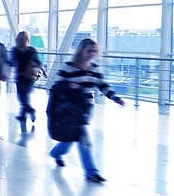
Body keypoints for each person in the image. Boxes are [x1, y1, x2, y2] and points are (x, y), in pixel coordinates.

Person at [47, 38, 124, 183]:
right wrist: (70, 85)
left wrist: (115, 98)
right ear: (81, 50)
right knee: (82, 137)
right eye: (89, 50)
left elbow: (102, 85)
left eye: (94, 51)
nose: (91, 54)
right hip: (69, 109)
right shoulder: (68, 67)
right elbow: (56, 87)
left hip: (85, 109)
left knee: (73, 137)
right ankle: (91, 172)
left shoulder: (94, 68)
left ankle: (56, 153)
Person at [10, 30, 44, 124]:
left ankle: (30, 110)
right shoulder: (32, 50)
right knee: (25, 96)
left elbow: (12, 62)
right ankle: (23, 115)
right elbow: (37, 62)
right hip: (30, 76)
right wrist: (43, 71)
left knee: (22, 96)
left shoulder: (15, 50)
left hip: (20, 76)